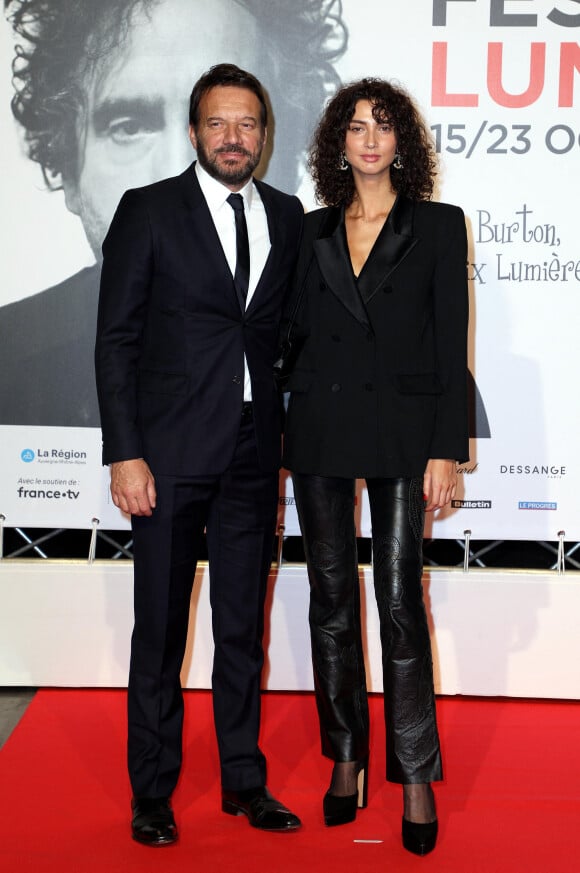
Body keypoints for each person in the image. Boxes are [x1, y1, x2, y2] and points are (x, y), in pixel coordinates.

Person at [95, 63, 304, 845]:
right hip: (169, 455)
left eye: (247, 124)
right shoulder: (148, 211)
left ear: (263, 134)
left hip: (253, 455)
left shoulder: (286, 214)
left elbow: (283, 333)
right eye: (218, 123)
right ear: (193, 132)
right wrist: (126, 452)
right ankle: (151, 791)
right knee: (159, 630)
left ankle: (244, 781)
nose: (233, 137)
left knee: (240, 630)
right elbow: (116, 339)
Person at [0, 0, 346, 426]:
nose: (175, 165)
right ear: (69, 169)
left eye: (233, 124)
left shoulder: (292, 232)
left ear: (277, 148)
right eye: (129, 125)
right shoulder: (11, 354)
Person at [281, 78, 469, 855]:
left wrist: (447, 448)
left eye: (383, 128)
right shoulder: (312, 228)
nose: (369, 140)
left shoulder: (437, 224)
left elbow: (450, 339)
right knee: (329, 595)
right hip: (322, 427)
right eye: (355, 128)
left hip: (402, 430)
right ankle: (347, 756)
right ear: (337, 143)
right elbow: (291, 332)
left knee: (397, 597)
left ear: (403, 143)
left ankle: (415, 771)